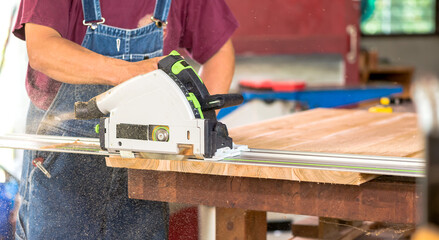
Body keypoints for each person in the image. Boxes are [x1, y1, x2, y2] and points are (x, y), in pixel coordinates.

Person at [12, 0, 238, 239]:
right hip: (64, 159)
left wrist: (194, 126)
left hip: (145, 162)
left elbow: (220, 54)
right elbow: (42, 51)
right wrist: (131, 72)